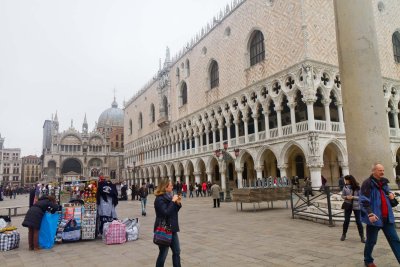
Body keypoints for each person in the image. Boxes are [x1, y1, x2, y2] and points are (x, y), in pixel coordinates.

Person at [360, 163, 400, 267]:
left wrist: (392, 198)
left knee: (395, 240)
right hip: (375, 218)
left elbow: (393, 203)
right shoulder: (367, 183)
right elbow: (364, 200)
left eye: (383, 170)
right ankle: (368, 260)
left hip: (387, 219)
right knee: (371, 241)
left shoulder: (384, 183)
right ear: (373, 171)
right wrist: (370, 214)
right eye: (380, 170)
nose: (382, 172)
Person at [154, 179, 182, 267]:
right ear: (165, 187)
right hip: (164, 229)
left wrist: (178, 203)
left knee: (177, 251)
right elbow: (166, 213)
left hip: (172, 228)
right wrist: (173, 201)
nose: (172, 187)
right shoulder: (159, 199)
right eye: (170, 186)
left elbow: (173, 211)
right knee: (163, 254)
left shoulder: (169, 197)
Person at [340, 175, 365, 243]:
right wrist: (346, 197)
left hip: (356, 206)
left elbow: (361, 197)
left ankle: (362, 236)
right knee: (346, 221)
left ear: (350, 180)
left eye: (346, 180)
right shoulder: (345, 187)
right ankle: (344, 234)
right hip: (348, 205)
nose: (345, 181)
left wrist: (353, 197)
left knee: (359, 221)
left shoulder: (357, 187)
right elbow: (342, 196)